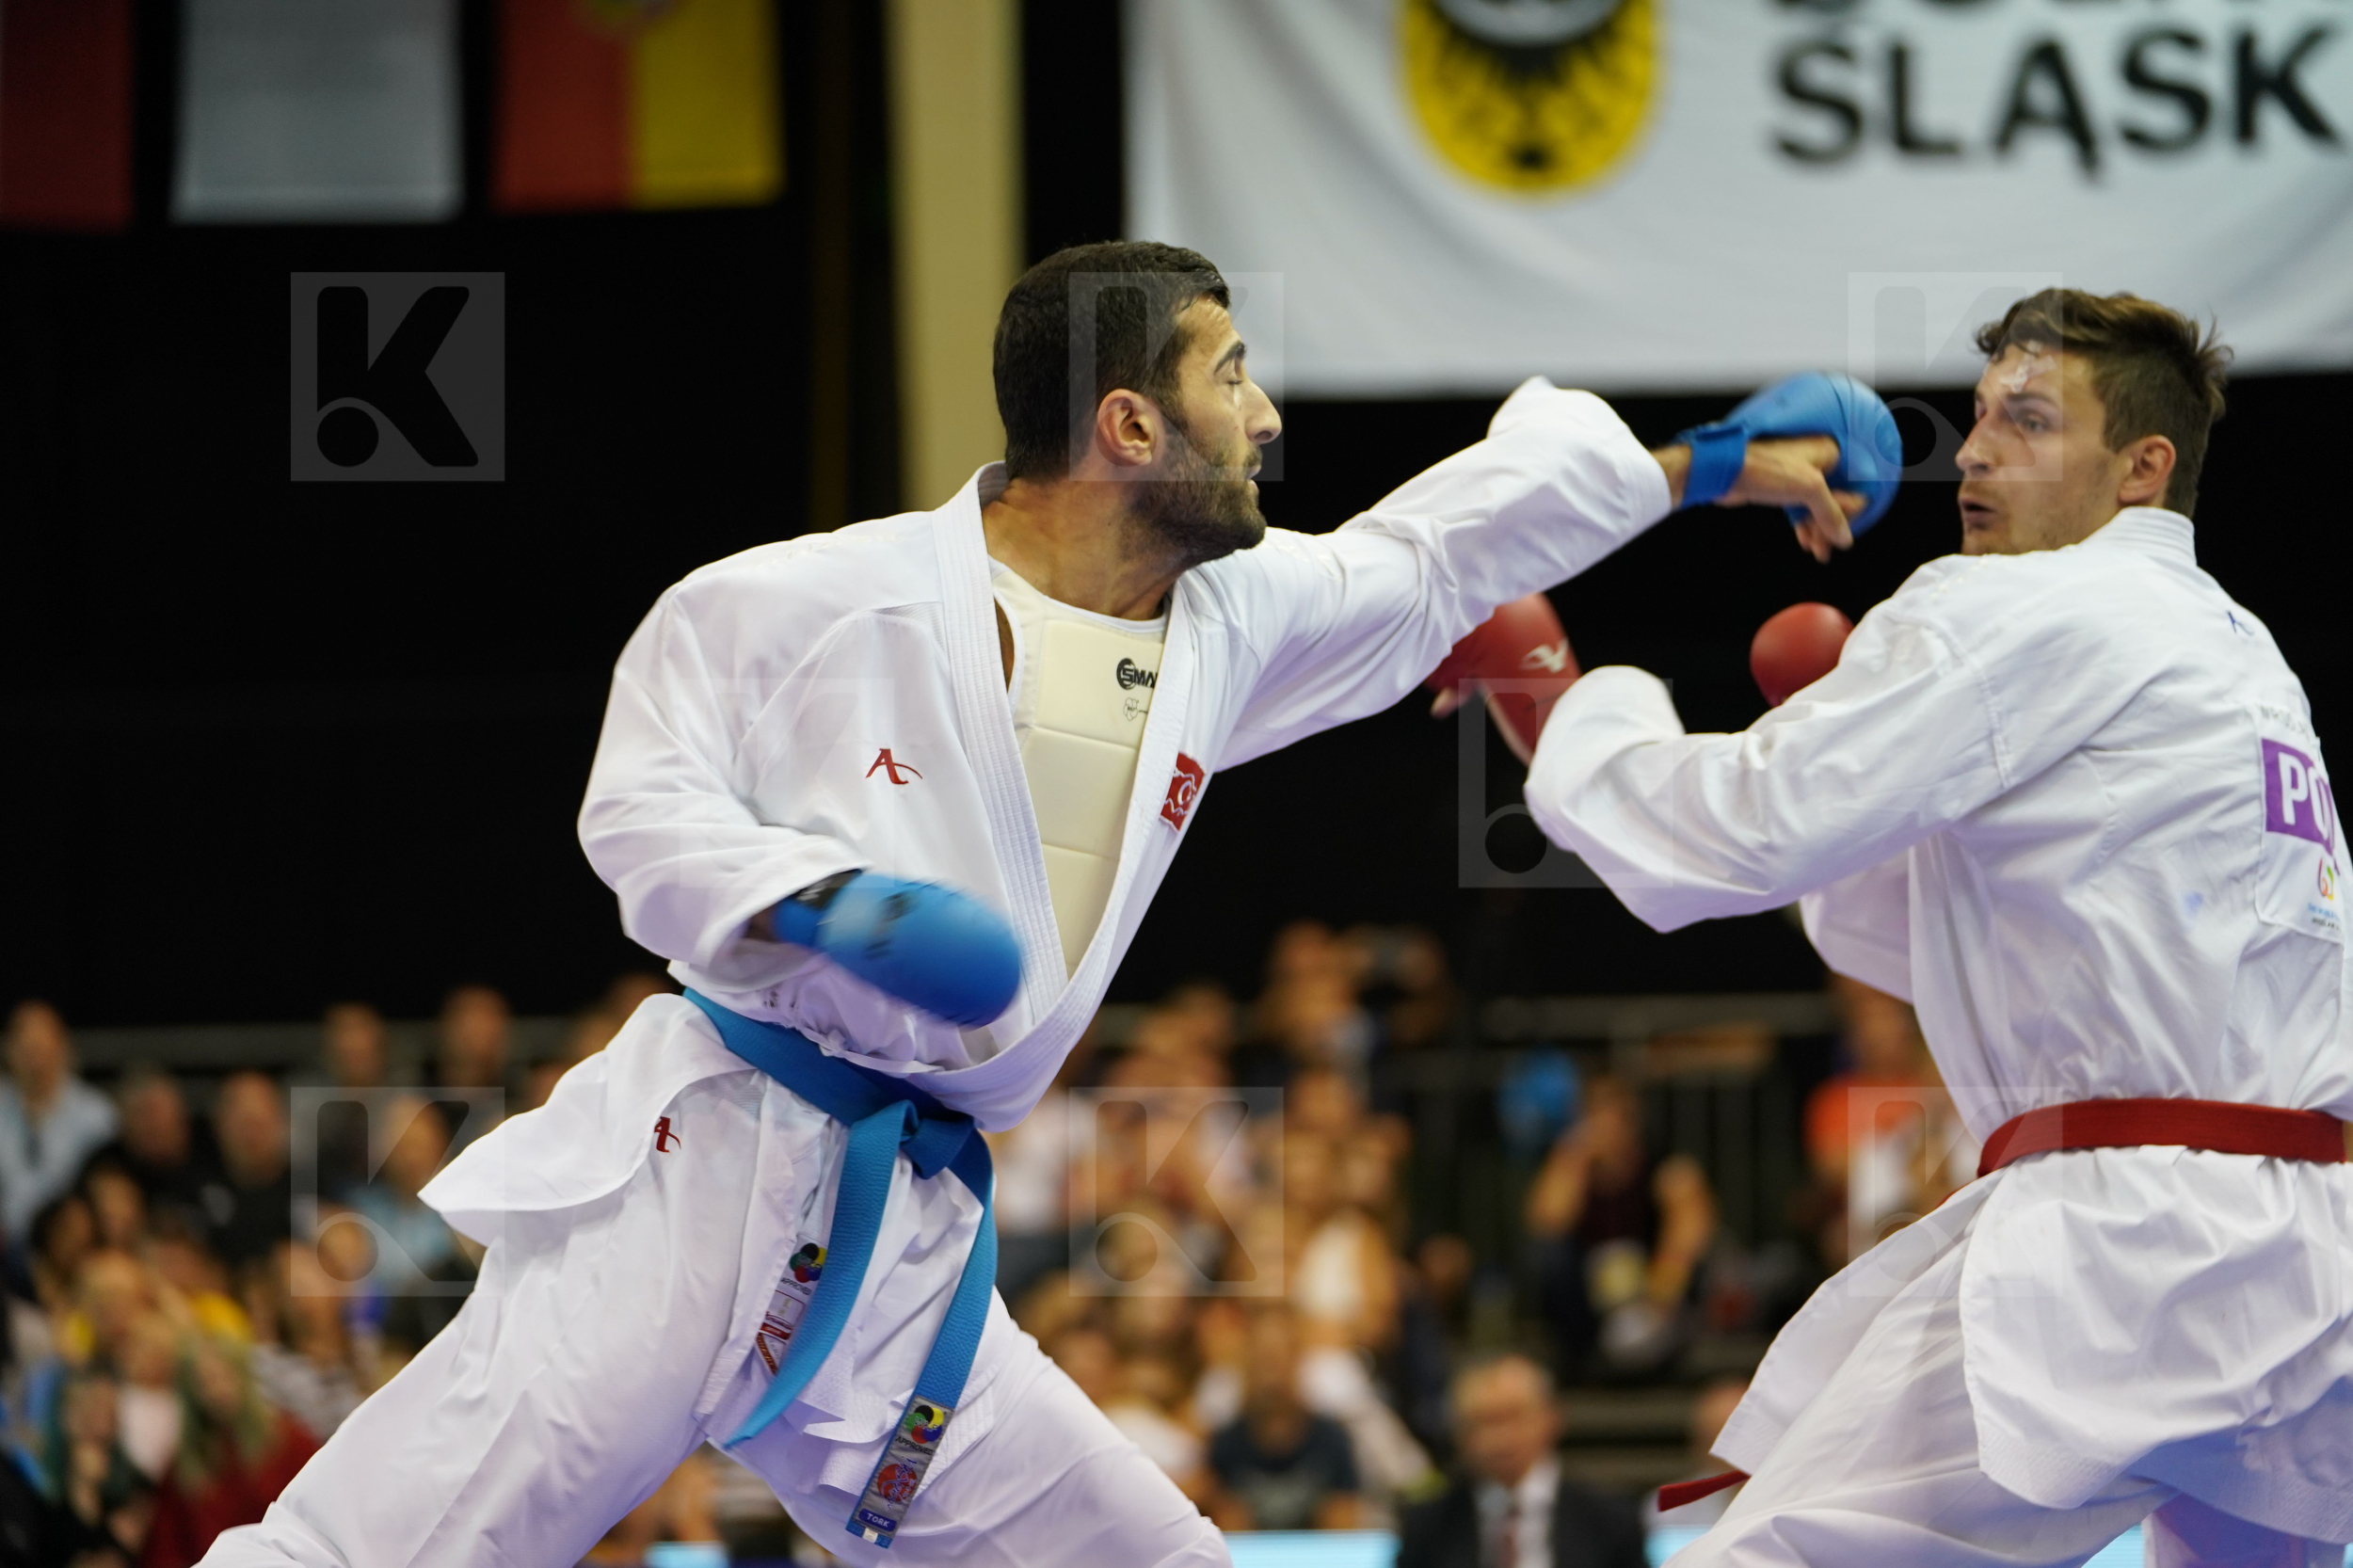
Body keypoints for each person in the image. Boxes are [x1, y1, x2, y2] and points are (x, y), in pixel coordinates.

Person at [204, 238, 1865, 1568]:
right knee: (367, 1548)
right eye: (1232, 375)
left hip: (899, 1257)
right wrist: (820, 905)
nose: (1268, 414)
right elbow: (637, 800)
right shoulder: (813, 600)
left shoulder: (1230, 617)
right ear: (1130, 427)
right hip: (698, 1174)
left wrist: (1707, 460)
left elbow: (1433, 557)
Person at [1525, 289, 2352, 1563]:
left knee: (1778, 1552)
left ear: (2143, 468)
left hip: (2135, 1247)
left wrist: (1568, 707)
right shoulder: (2246, 661)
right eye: (1976, 421)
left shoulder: (2016, 608)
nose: (1970, 454)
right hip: (2312, 1252)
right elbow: (1937, 942)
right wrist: (1872, 781)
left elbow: (1738, 830)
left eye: (2027, 421)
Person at [1396, 1352, 1647, 1568]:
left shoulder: (1610, 1519)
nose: (1500, 1437)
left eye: (1513, 1417)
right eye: (1483, 1421)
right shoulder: (1428, 1525)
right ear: (1459, 1433)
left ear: (1551, 1418)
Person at [1206, 1304, 1363, 1532]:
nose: (1272, 1372)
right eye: (1263, 1359)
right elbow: (1231, 1539)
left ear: (1298, 1362)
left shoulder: (1332, 1439)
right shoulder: (1225, 1444)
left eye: (1280, 1357)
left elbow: (1342, 1534)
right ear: (1246, 1365)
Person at [0, 1000, 118, 1250]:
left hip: (74, 1245)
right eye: (27, 1048)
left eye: (42, 1047)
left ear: (63, 1048)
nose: (35, 1060)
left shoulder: (95, 1115)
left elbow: (106, 1191)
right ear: (9, 1050)